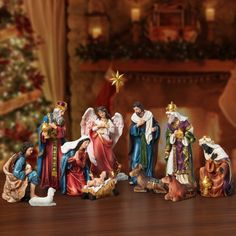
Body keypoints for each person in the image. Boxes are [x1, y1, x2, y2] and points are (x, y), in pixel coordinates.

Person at [80, 106, 124, 178]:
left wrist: (107, 126)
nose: (101, 114)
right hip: (98, 139)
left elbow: (113, 131)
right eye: (100, 113)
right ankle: (99, 172)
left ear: (105, 113)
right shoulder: (97, 121)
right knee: (98, 155)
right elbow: (93, 129)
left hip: (106, 138)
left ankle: (109, 172)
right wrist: (99, 126)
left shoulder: (109, 121)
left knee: (110, 157)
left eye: (102, 112)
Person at [37, 101, 67, 190]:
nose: (62, 114)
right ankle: (48, 181)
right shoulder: (48, 117)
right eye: (61, 111)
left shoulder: (62, 120)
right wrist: (43, 133)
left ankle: (58, 182)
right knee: (48, 161)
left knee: (60, 161)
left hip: (58, 144)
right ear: (57, 111)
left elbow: (63, 132)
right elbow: (41, 128)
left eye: (63, 112)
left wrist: (55, 127)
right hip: (49, 145)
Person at [129, 101, 160, 185]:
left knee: (149, 158)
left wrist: (155, 128)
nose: (136, 111)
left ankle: (148, 177)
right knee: (136, 158)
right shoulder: (134, 118)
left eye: (137, 109)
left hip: (148, 140)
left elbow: (156, 124)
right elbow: (131, 130)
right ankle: (135, 179)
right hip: (138, 141)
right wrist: (137, 126)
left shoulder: (149, 115)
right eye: (134, 109)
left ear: (141, 109)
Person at [165, 101, 195, 185]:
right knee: (173, 164)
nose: (168, 117)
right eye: (167, 115)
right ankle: (174, 181)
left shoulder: (184, 122)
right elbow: (168, 135)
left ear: (174, 114)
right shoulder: (169, 125)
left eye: (169, 115)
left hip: (183, 146)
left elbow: (190, 131)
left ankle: (184, 181)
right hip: (174, 147)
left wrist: (184, 137)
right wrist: (173, 136)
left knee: (183, 164)